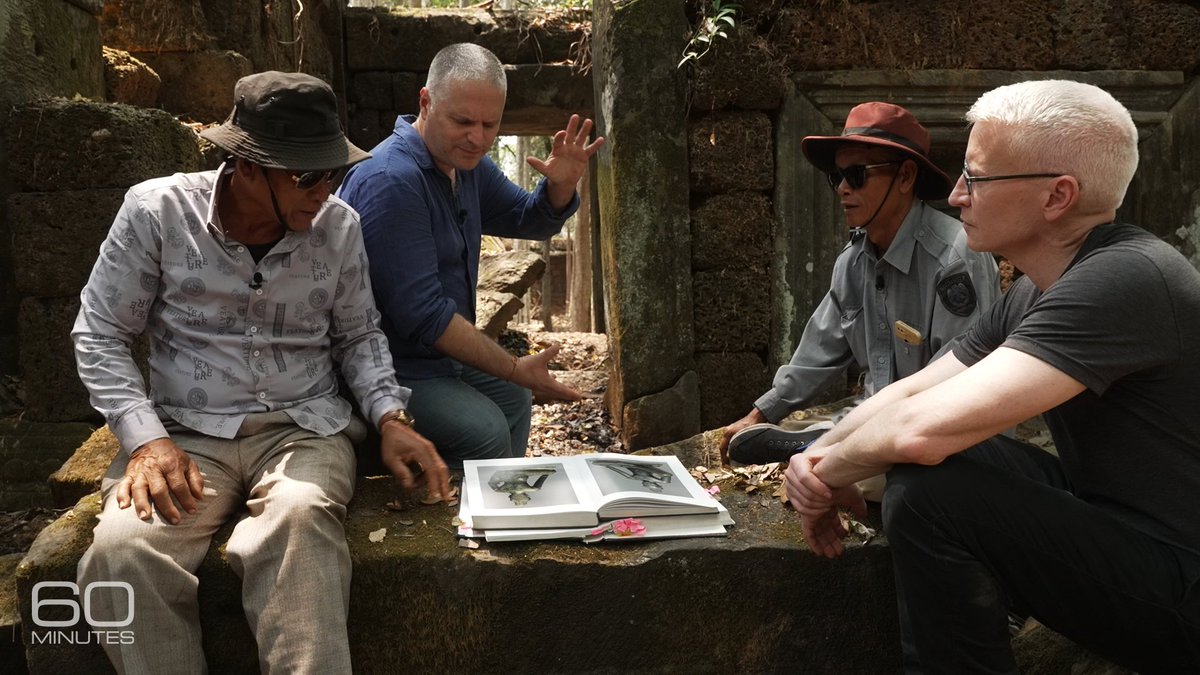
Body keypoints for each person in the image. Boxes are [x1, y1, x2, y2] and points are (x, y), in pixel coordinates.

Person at [786, 80, 1200, 672]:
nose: (956, 197)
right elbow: (917, 390)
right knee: (929, 470)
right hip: (1115, 521)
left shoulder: (1127, 278)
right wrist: (817, 460)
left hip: (1183, 584)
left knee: (930, 492)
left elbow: (918, 430)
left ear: (1057, 196)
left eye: (975, 179)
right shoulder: (1038, 284)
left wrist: (823, 474)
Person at [72, 71, 451, 674]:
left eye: (332, 172)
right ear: (247, 167)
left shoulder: (339, 227)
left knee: (300, 519)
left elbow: (358, 335)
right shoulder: (157, 212)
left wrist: (390, 416)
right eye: (306, 176)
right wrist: (146, 442)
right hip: (186, 435)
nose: (324, 190)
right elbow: (101, 333)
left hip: (303, 429)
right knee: (121, 555)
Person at [337, 43, 604, 468]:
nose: (477, 137)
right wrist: (514, 367)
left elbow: (527, 218)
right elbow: (423, 315)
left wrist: (561, 187)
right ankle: (469, 527)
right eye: (462, 121)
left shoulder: (467, 166)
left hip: (439, 360)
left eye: (489, 124)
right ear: (425, 102)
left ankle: (508, 515)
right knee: (484, 429)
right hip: (390, 368)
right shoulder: (393, 180)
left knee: (513, 399)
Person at [721, 102, 1000, 466]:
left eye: (856, 175)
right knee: (833, 457)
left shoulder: (954, 258)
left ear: (905, 177)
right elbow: (819, 351)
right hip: (876, 421)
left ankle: (829, 449)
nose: (841, 189)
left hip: (945, 437)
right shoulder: (853, 263)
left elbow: (959, 384)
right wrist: (761, 413)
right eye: (835, 177)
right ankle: (832, 448)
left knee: (853, 472)